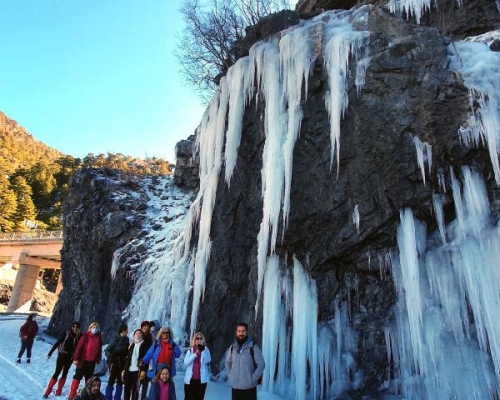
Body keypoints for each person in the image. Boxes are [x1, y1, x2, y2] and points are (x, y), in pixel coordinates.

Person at [225, 323, 265, 400]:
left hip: (249, 390)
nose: (241, 333)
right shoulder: (233, 347)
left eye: (243, 331)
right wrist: (231, 375)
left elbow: (261, 364)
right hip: (235, 388)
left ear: (246, 332)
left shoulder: (253, 347)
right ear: (236, 332)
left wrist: (252, 379)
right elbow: (227, 362)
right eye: (239, 331)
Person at [43, 321, 82, 398]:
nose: (75, 328)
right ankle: (47, 392)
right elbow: (58, 342)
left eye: (77, 327)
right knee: (57, 372)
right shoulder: (66, 333)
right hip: (62, 355)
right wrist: (50, 353)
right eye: (73, 326)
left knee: (65, 373)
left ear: (79, 328)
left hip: (70, 357)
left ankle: (59, 391)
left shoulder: (79, 336)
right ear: (71, 327)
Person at [69, 322, 104, 400]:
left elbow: (99, 349)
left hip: (92, 362)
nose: (94, 329)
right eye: (93, 327)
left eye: (96, 328)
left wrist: (98, 358)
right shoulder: (85, 336)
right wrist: (75, 359)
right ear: (90, 328)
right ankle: (72, 396)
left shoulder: (98, 338)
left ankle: (87, 396)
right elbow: (79, 348)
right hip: (82, 361)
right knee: (77, 378)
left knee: (89, 381)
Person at [183, 332, 211, 400]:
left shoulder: (206, 350)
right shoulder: (190, 350)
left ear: (203, 340)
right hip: (190, 380)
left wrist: (203, 351)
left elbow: (208, 360)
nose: (199, 340)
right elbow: (186, 362)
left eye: (201, 338)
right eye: (197, 338)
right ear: (194, 340)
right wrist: (196, 354)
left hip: (201, 381)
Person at [105, 324, 130, 400]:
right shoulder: (115, 339)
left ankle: (117, 398)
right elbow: (107, 350)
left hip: (122, 363)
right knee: (111, 380)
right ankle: (108, 397)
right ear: (122, 331)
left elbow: (127, 350)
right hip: (114, 362)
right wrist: (111, 356)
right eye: (126, 330)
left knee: (120, 381)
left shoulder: (127, 340)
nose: (127, 332)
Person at [123, 328, 148, 400]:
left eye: (140, 333)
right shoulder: (132, 345)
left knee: (135, 389)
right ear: (134, 335)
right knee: (126, 388)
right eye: (136, 333)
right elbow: (128, 358)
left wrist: (143, 370)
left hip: (137, 370)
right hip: (129, 369)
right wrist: (125, 369)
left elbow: (145, 358)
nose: (138, 335)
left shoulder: (144, 345)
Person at [139, 321, 153, 400]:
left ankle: (143, 397)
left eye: (147, 326)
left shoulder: (150, 337)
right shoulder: (138, 336)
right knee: (138, 380)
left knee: (145, 380)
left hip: (147, 362)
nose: (146, 328)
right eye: (144, 326)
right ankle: (135, 395)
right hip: (139, 362)